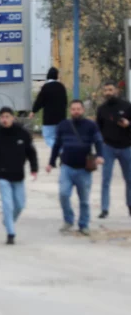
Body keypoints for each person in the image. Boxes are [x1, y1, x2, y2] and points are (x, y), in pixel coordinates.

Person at [0, 107, 38, 245]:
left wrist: (34, 169)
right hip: (2, 175)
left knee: (19, 204)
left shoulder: (22, 133)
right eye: (2, 117)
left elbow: (31, 152)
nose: (5, 119)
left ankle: (7, 221)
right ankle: (10, 233)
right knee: (7, 204)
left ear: (13, 118)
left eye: (7, 116)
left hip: (18, 175)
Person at [48, 100, 104, 235]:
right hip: (66, 167)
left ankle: (83, 225)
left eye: (78, 109)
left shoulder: (91, 125)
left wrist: (100, 156)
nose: (76, 111)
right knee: (63, 194)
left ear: (83, 110)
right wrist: (51, 162)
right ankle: (68, 219)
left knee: (84, 200)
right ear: (70, 111)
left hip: (84, 169)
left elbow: (98, 141)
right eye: (73, 109)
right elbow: (56, 145)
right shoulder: (63, 125)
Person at [95, 81, 131, 219]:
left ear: (116, 90)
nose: (108, 93)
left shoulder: (126, 106)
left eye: (110, 89)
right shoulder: (102, 109)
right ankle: (104, 209)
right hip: (108, 147)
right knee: (106, 179)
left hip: (126, 147)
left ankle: (130, 206)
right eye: (106, 90)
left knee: (129, 179)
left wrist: (128, 124)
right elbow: (98, 129)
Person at [29, 67, 68, 149]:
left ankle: (58, 151)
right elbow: (65, 102)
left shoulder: (45, 87)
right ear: (56, 75)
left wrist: (33, 111)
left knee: (48, 137)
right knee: (59, 138)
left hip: (49, 119)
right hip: (61, 119)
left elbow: (39, 101)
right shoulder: (61, 87)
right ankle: (61, 151)